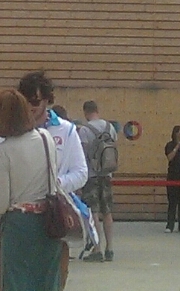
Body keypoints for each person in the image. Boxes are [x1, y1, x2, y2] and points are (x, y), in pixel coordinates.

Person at [0, 90, 65, 291]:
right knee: (47, 282)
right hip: (49, 222)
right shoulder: (45, 138)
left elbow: (1, 203)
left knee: (16, 282)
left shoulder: (2, 152)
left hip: (18, 226)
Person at [17, 73, 87, 282]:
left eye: (35, 101)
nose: (30, 106)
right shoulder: (12, 129)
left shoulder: (66, 130)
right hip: (19, 218)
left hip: (54, 217)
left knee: (53, 280)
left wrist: (56, 184)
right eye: (25, 100)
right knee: (15, 280)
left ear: (47, 99)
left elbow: (81, 173)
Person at [76, 101, 117, 261]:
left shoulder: (85, 130)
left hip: (91, 176)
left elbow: (82, 154)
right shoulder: (110, 127)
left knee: (93, 213)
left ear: (85, 112)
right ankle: (110, 248)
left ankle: (97, 248)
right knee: (107, 211)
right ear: (97, 110)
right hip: (107, 174)